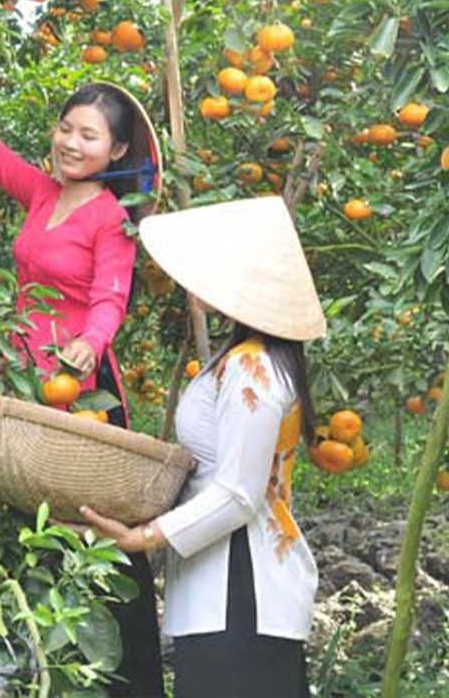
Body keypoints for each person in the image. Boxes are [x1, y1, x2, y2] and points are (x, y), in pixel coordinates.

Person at [0, 44, 165, 697]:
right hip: (26, 384)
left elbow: (111, 295)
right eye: (65, 128)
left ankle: (127, 682)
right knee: (30, 527)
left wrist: (91, 341)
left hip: (80, 389)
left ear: (116, 150)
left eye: (89, 135)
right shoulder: (41, 192)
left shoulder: (110, 218)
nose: (71, 143)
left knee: (92, 534)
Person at [75, 196, 325, 698]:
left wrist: (144, 536)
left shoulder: (251, 368)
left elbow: (237, 493)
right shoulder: (245, 359)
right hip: (225, 591)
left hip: (240, 592)